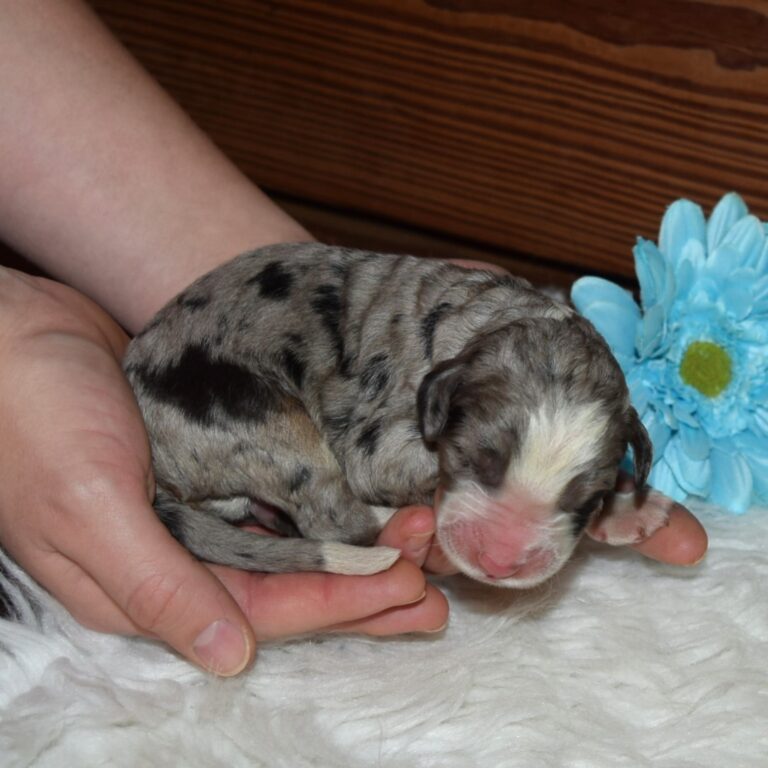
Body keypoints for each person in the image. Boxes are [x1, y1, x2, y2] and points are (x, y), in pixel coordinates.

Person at [0, 0, 707, 677]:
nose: (505, 554)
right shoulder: (445, 379)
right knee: (343, 489)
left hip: (250, 335)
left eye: (574, 499)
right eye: (482, 469)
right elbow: (373, 456)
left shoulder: (471, 354)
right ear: (439, 402)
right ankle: (333, 529)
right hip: (208, 387)